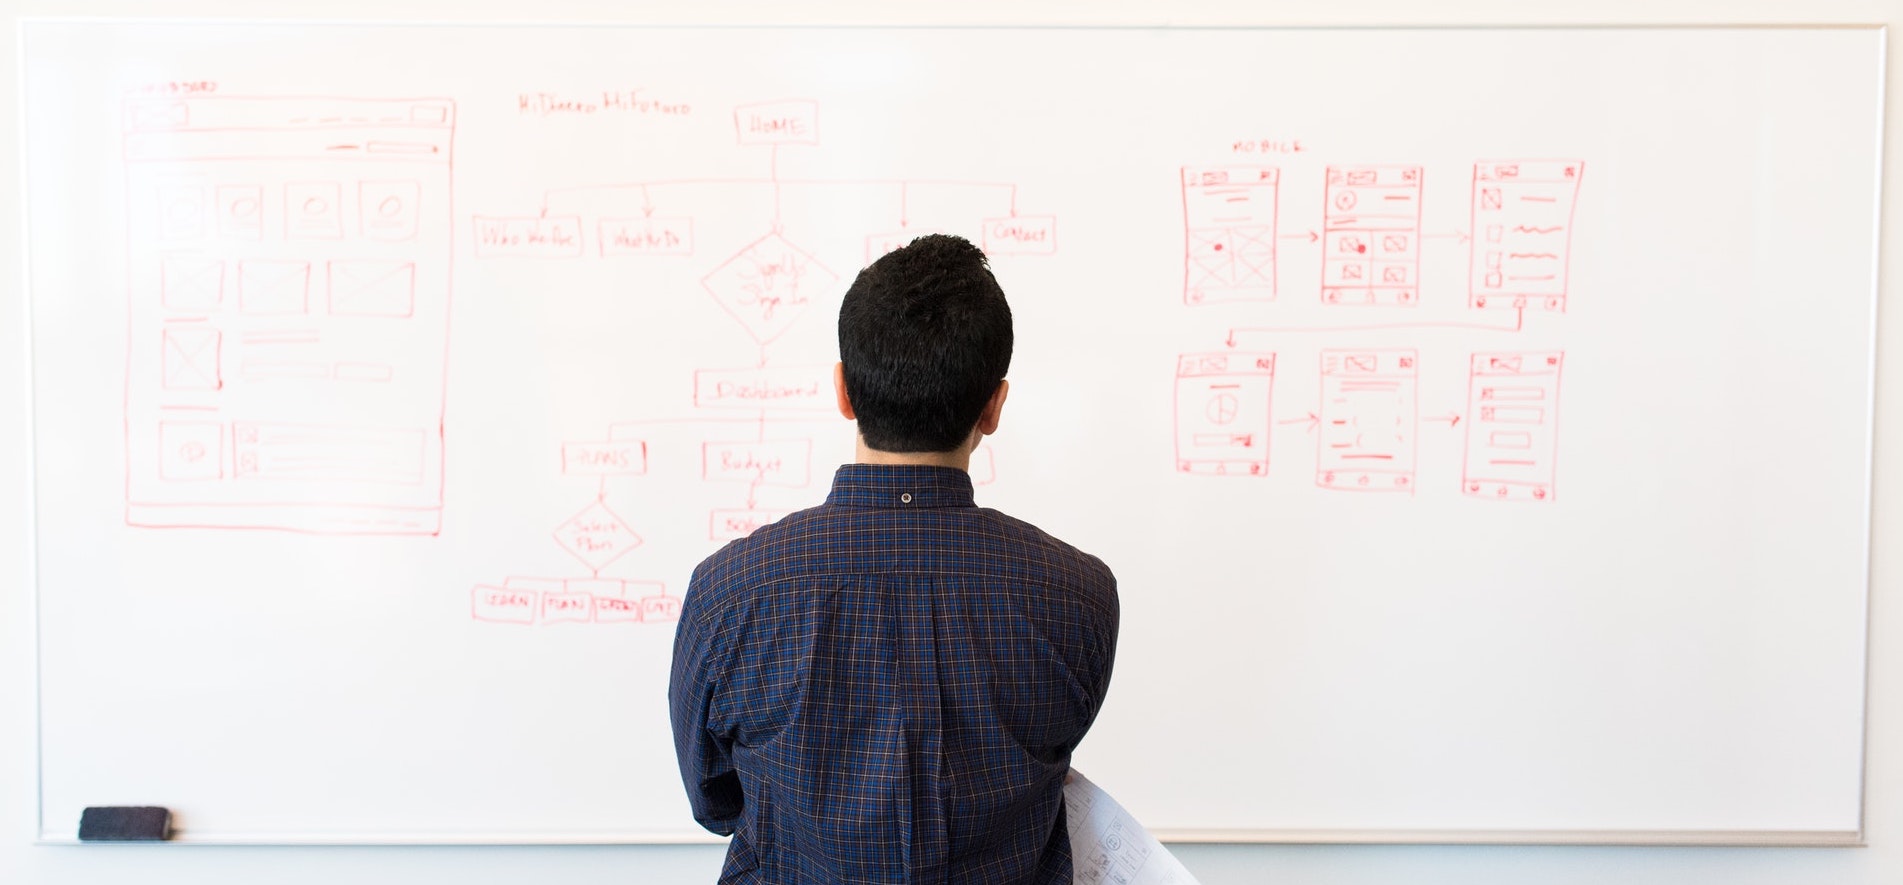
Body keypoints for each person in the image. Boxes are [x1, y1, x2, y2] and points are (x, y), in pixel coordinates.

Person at [669, 234, 1120, 884]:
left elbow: (714, 802)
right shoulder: (1078, 593)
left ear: (843, 392)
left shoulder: (729, 590)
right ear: (993, 406)